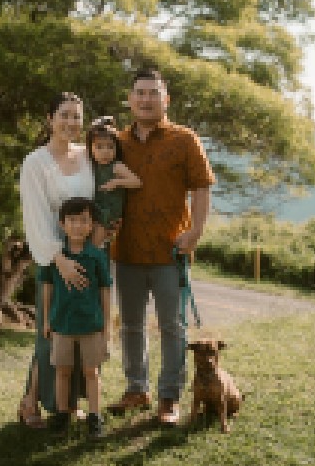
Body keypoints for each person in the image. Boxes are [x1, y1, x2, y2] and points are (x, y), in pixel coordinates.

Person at [108, 68, 215, 425]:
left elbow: (202, 187)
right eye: (140, 92)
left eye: (153, 93)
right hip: (126, 250)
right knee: (131, 326)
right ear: (130, 99)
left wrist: (196, 231)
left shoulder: (185, 139)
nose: (146, 99)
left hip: (172, 251)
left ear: (165, 99)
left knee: (172, 326)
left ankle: (169, 398)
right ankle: (137, 389)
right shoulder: (117, 142)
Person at [18, 92, 94, 428]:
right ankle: (30, 402)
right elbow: (35, 217)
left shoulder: (88, 156)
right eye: (64, 114)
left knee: (80, 331)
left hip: (87, 255)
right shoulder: (35, 163)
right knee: (50, 331)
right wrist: (59, 259)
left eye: (76, 116)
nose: (71, 122)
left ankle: (68, 403)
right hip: (54, 257)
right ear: (49, 119)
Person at [41, 197, 111, 438]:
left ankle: (95, 416)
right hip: (62, 324)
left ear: (91, 225)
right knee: (62, 371)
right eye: (72, 220)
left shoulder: (97, 256)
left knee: (91, 372)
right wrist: (46, 320)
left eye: (83, 220)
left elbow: (105, 289)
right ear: (62, 224)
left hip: (91, 325)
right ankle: (62, 415)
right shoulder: (55, 256)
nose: (78, 226)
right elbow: (47, 287)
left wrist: (107, 325)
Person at [86, 116, 142, 246]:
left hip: (109, 212)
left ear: (116, 148)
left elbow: (137, 182)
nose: (105, 152)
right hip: (95, 208)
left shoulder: (116, 166)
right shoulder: (92, 165)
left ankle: (90, 256)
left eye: (110, 147)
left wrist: (116, 182)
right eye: (99, 147)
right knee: (86, 239)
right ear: (90, 149)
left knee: (94, 244)